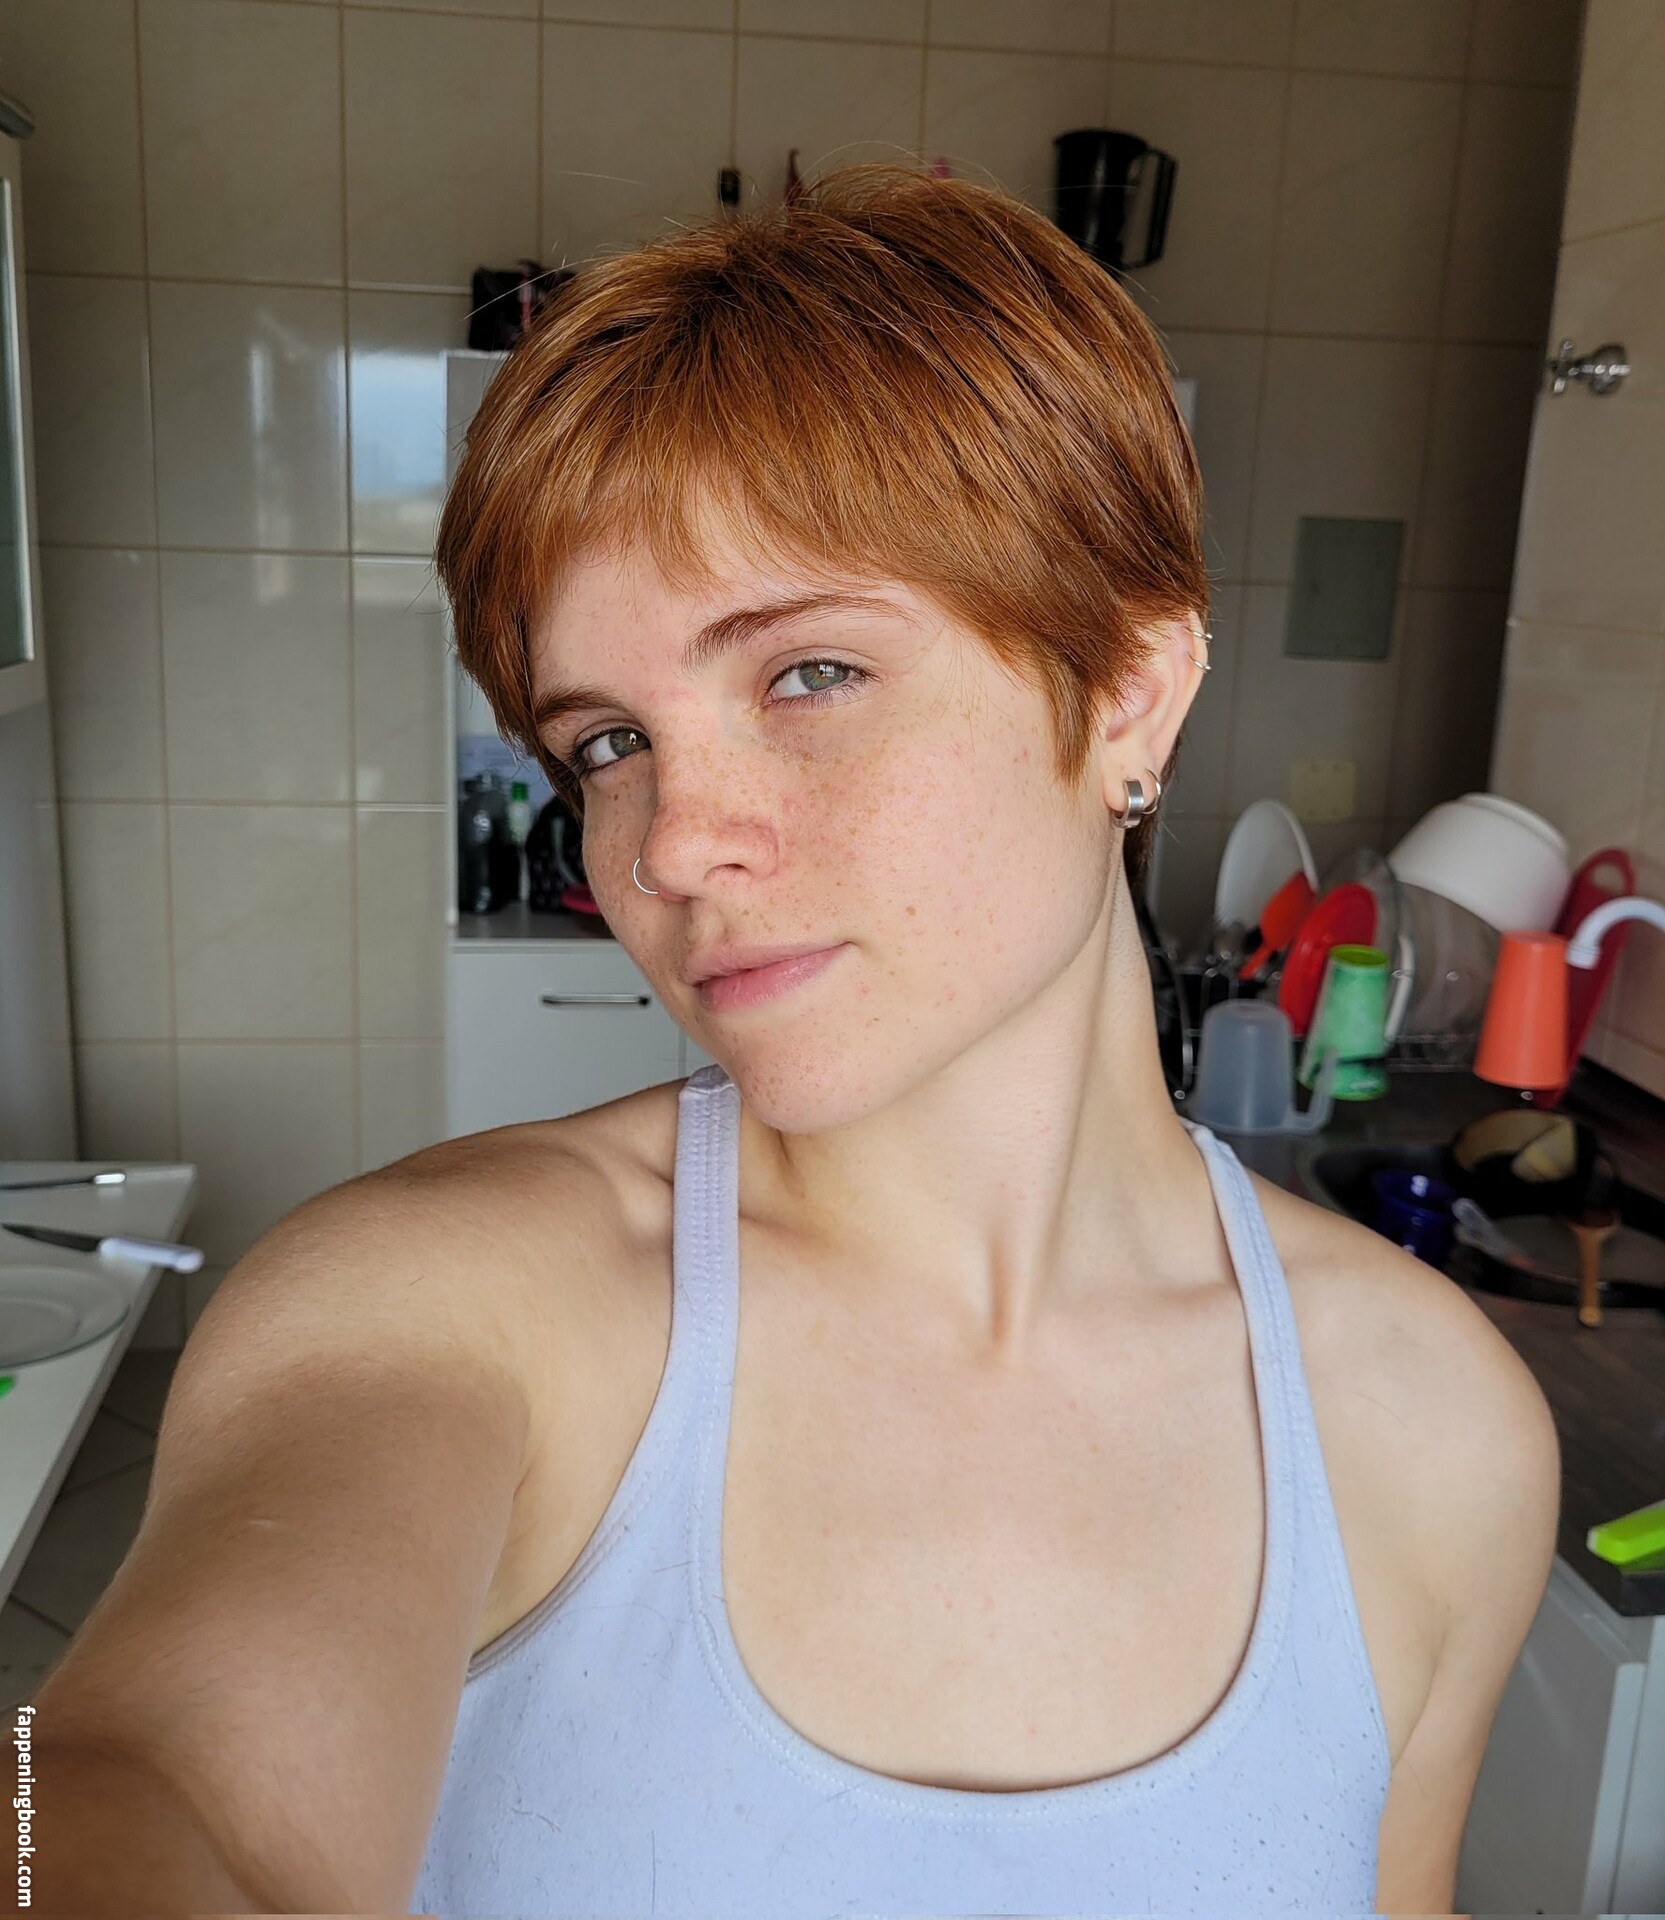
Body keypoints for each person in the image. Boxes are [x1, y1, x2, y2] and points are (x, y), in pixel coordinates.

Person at [15, 163, 1558, 1918]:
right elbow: (131, 1785)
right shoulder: (453, 1307)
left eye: (807, 674)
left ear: (1128, 688)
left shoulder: (1431, 1431)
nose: (670, 846)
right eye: (607, 745)